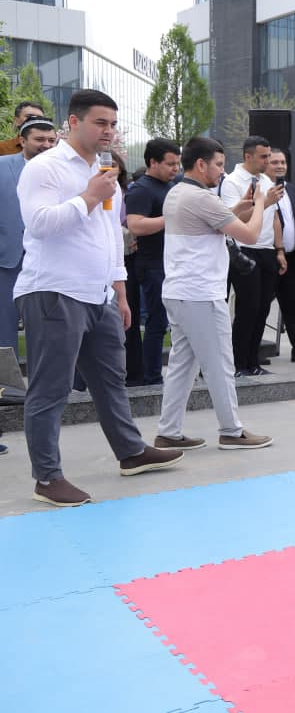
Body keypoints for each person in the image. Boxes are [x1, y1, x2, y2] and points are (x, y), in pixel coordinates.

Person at [15, 89, 183, 506]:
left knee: (111, 381)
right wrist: (88, 196)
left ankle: (130, 451)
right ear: (73, 122)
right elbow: (38, 225)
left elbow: (110, 238)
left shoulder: (107, 172)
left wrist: (120, 292)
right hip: (53, 290)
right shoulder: (46, 168)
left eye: (112, 124)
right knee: (50, 389)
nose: (108, 131)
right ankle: (47, 477)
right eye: (100, 123)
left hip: (99, 294)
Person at [155, 136, 277, 451]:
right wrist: (263, 203)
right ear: (201, 164)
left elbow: (218, 221)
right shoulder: (201, 198)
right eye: (219, 165)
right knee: (220, 363)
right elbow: (249, 234)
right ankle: (231, 430)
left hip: (181, 291)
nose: (222, 171)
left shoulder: (178, 193)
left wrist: (242, 207)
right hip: (200, 293)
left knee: (183, 364)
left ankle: (168, 431)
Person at [219, 136, 280, 377]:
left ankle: (254, 361)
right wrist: (264, 203)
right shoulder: (232, 182)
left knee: (263, 308)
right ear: (248, 156)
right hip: (244, 249)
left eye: (269, 156)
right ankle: (238, 363)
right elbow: (235, 220)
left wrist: (280, 250)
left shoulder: (266, 180)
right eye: (263, 157)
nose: (268, 161)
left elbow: (273, 219)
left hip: (266, 250)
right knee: (248, 308)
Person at [123, 138, 181, 386]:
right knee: (156, 324)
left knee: (168, 324)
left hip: (173, 262)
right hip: (153, 264)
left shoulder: (173, 185)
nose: (175, 169)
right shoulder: (141, 189)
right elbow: (136, 224)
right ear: (152, 162)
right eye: (170, 164)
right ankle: (151, 377)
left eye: (178, 164)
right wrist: (171, 218)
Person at [0, 114, 58, 353]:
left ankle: (43, 386)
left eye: (51, 140)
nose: (46, 145)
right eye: (39, 139)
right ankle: (7, 388)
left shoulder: (62, 170)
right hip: (8, 258)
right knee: (4, 327)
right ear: (22, 141)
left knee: (48, 328)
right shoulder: (2, 167)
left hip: (50, 260)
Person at [268, 148, 295, 363]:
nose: (280, 165)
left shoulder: (290, 189)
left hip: (292, 258)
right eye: (275, 162)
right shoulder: (262, 189)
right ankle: (252, 354)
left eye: (283, 161)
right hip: (270, 256)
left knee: (293, 307)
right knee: (260, 307)